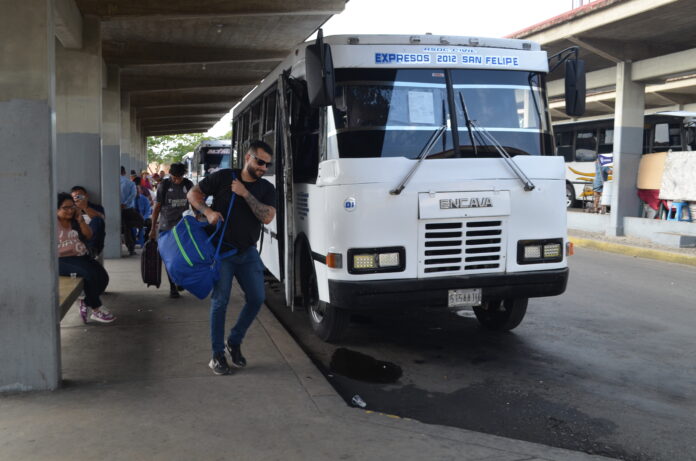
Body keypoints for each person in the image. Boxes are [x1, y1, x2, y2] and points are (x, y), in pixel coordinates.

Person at [188, 140, 276, 375]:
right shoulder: (224, 177)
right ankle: (217, 354)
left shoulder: (266, 188)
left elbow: (267, 217)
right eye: (259, 162)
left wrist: (245, 193)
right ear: (248, 158)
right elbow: (193, 193)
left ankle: (233, 341)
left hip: (247, 253)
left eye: (267, 164)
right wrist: (207, 212)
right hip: (222, 252)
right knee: (220, 302)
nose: (263, 168)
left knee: (257, 298)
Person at [57, 192, 115, 324]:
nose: (70, 210)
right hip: (61, 260)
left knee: (102, 277)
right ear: (56, 209)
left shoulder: (75, 220)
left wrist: (80, 220)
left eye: (72, 207)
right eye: (65, 208)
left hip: (80, 256)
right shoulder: (51, 224)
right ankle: (96, 308)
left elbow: (89, 236)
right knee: (88, 275)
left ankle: (85, 301)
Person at [150, 163, 194, 298]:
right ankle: (172, 287)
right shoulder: (164, 185)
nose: (177, 180)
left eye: (179, 178)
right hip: (166, 227)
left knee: (183, 257)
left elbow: (195, 202)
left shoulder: (188, 184)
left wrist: (197, 218)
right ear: (170, 175)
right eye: (175, 178)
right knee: (170, 259)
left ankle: (179, 280)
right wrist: (153, 228)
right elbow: (157, 208)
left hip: (183, 227)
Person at [70, 186, 106, 257]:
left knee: (97, 220)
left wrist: (85, 207)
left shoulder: (95, 207)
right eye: (75, 197)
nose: (78, 198)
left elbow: (101, 218)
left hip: (93, 240)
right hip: (78, 237)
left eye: (80, 196)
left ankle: (91, 250)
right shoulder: (70, 209)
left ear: (86, 196)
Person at [120, 166, 143, 255]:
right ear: (124, 172)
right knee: (129, 228)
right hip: (127, 209)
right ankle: (131, 248)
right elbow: (133, 194)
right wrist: (125, 203)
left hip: (114, 209)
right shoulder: (130, 183)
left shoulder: (110, 182)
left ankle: (129, 246)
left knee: (125, 228)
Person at [133, 177, 153, 242]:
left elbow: (148, 210)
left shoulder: (145, 199)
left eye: (138, 189)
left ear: (141, 191)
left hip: (143, 218)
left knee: (150, 223)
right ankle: (133, 241)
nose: (137, 191)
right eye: (135, 190)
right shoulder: (130, 200)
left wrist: (143, 218)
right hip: (133, 218)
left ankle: (145, 240)